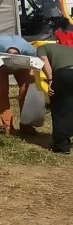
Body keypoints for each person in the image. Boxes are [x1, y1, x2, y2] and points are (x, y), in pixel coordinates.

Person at [36, 18, 73, 154]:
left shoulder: (42, 48)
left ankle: (62, 145)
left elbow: (44, 63)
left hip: (64, 74)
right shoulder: (70, 49)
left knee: (60, 108)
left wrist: (51, 80)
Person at [0, 47, 33, 136]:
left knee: (25, 93)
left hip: (21, 64)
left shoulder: (26, 53)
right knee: (3, 93)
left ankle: (26, 125)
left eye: (14, 53)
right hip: (1, 64)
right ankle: (7, 127)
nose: (12, 55)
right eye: (10, 53)